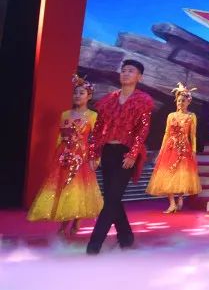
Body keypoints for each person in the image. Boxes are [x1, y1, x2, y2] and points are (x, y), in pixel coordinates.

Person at [86, 59, 154, 255]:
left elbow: (143, 130)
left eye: (130, 71)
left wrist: (133, 153)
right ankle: (126, 237)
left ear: (139, 77)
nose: (125, 73)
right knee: (112, 198)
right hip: (108, 152)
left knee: (111, 199)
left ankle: (93, 246)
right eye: (123, 70)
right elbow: (98, 129)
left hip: (127, 153)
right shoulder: (109, 99)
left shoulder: (143, 100)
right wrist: (93, 152)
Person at [27, 75, 103, 238]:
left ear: (89, 96)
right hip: (65, 156)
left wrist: (96, 158)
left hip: (82, 157)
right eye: (75, 93)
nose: (77, 96)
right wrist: (57, 156)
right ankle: (65, 221)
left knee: (78, 188)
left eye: (81, 93)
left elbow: (96, 140)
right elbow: (60, 137)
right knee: (64, 188)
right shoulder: (65, 115)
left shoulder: (92, 116)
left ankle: (75, 221)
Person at [146, 83, 201, 214]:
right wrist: (161, 150)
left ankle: (180, 198)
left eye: (183, 101)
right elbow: (166, 133)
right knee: (168, 175)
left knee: (182, 175)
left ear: (188, 102)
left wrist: (193, 151)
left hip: (184, 148)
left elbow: (192, 135)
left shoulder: (191, 116)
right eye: (179, 100)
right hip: (170, 148)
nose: (180, 103)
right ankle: (171, 203)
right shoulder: (171, 115)